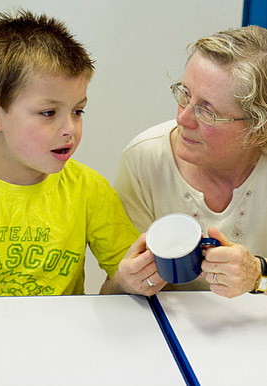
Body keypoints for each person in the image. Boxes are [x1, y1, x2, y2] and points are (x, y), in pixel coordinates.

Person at [0, 9, 166, 296]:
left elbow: (121, 291)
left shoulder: (89, 189)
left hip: (65, 339)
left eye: (78, 111)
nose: (69, 129)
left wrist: (127, 282)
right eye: (48, 112)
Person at [114, 25, 267, 298]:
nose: (183, 119)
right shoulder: (144, 160)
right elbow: (113, 298)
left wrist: (258, 275)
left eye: (207, 111)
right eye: (185, 94)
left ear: (259, 129)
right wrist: (124, 284)